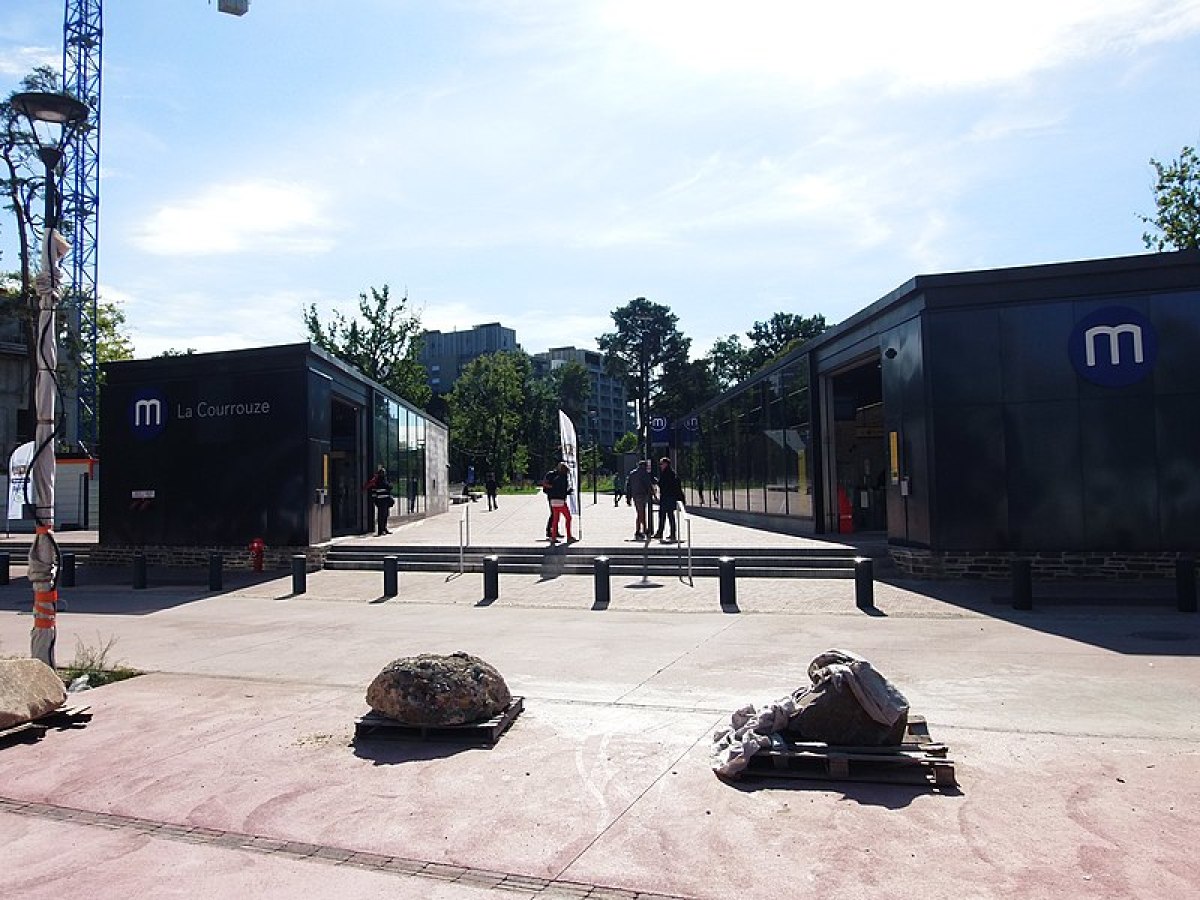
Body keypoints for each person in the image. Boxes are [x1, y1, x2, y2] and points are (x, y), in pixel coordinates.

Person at [543, 461, 575, 544]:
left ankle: (553, 537)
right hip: (560, 500)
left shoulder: (552, 476)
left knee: (555, 519)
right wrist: (569, 492)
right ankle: (569, 536)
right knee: (568, 518)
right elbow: (562, 490)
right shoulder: (562, 478)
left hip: (552, 500)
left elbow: (548, 486)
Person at [624, 459, 656, 541]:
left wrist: (628, 498)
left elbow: (628, 486)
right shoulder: (644, 473)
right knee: (641, 513)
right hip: (642, 495)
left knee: (640, 512)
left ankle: (641, 530)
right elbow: (648, 484)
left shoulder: (632, 473)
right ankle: (642, 530)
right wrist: (653, 494)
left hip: (635, 495)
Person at [654, 456, 683, 542]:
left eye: (661, 464)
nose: (660, 465)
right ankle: (671, 534)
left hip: (667, 497)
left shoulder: (667, 474)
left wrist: (658, 482)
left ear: (666, 464)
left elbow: (664, 485)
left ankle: (661, 533)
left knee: (664, 516)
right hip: (670, 497)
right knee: (670, 516)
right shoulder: (671, 473)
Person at [364, 465, 393, 536]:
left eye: (384, 473)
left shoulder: (384, 480)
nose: (384, 474)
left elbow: (388, 487)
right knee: (381, 515)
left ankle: (384, 528)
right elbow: (385, 487)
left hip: (385, 500)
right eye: (382, 473)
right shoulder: (377, 481)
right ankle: (380, 530)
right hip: (381, 500)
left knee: (385, 515)